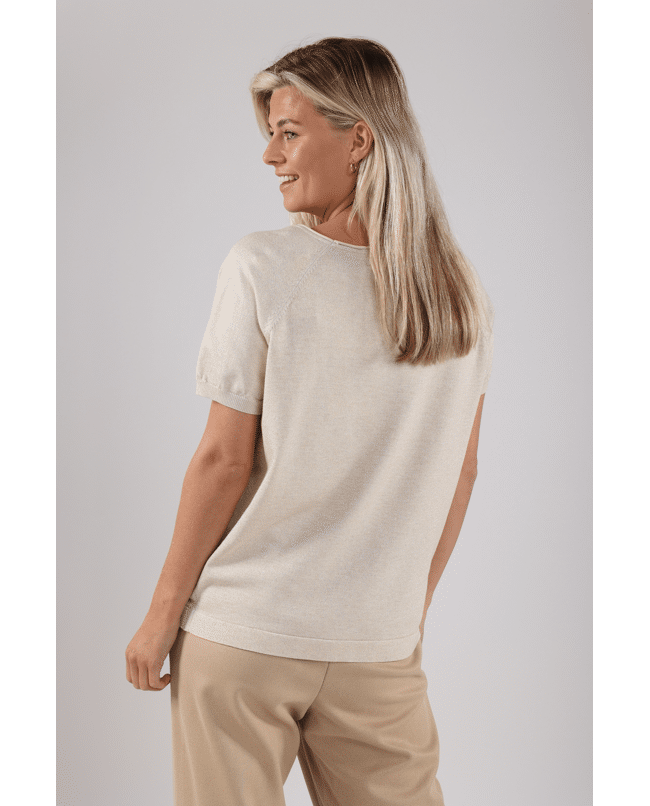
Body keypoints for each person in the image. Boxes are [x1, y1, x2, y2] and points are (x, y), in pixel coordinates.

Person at [125, 36, 494, 806]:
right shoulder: (460, 294)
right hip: (377, 649)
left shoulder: (262, 267)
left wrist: (161, 618)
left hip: (242, 637)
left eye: (288, 132)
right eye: (270, 134)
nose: (269, 155)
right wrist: (405, 610)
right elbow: (460, 473)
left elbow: (223, 461)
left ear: (358, 139)